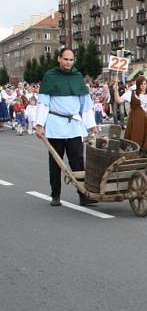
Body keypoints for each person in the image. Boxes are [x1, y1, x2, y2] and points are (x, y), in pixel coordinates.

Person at [34, 48, 98, 207]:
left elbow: (86, 105)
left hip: (74, 126)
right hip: (56, 125)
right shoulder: (50, 76)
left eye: (71, 60)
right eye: (66, 59)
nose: (69, 62)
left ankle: (84, 195)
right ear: (59, 59)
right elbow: (43, 103)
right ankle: (55, 195)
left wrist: (91, 126)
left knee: (77, 162)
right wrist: (40, 125)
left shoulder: (78, 77)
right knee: (55, 162)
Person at [113, 75, 147, 162]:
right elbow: (118, 100)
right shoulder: (131, 93)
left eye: (145, 84)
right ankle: (133, 162)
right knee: (135, 140)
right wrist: (115, 90)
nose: (143, 86)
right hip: (136, 122)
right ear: (137, 84)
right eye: (141, 84)